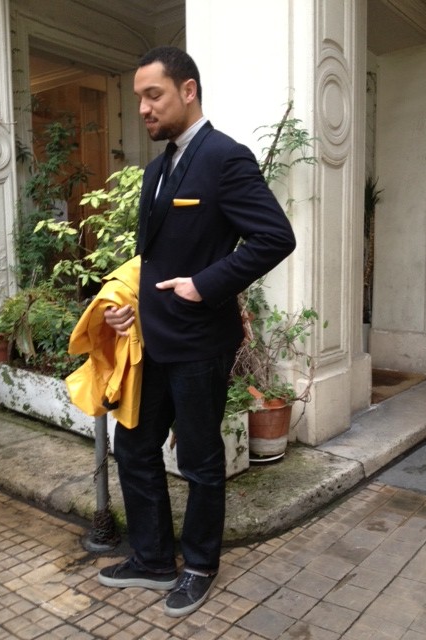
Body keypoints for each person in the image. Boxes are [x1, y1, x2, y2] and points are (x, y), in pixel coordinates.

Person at [98, 45, 296, 617]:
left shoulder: (225, 157)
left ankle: (201, 565)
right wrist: (127, 305)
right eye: (139, 97)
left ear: (188, 91)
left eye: (153, 94)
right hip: (151, 337)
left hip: (201, 343)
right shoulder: (157, 169)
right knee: (133, 446)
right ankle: (154, 559)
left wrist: (204, 284)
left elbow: (275, 237)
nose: (143, 107)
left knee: (201, 460)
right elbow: (153, 258)